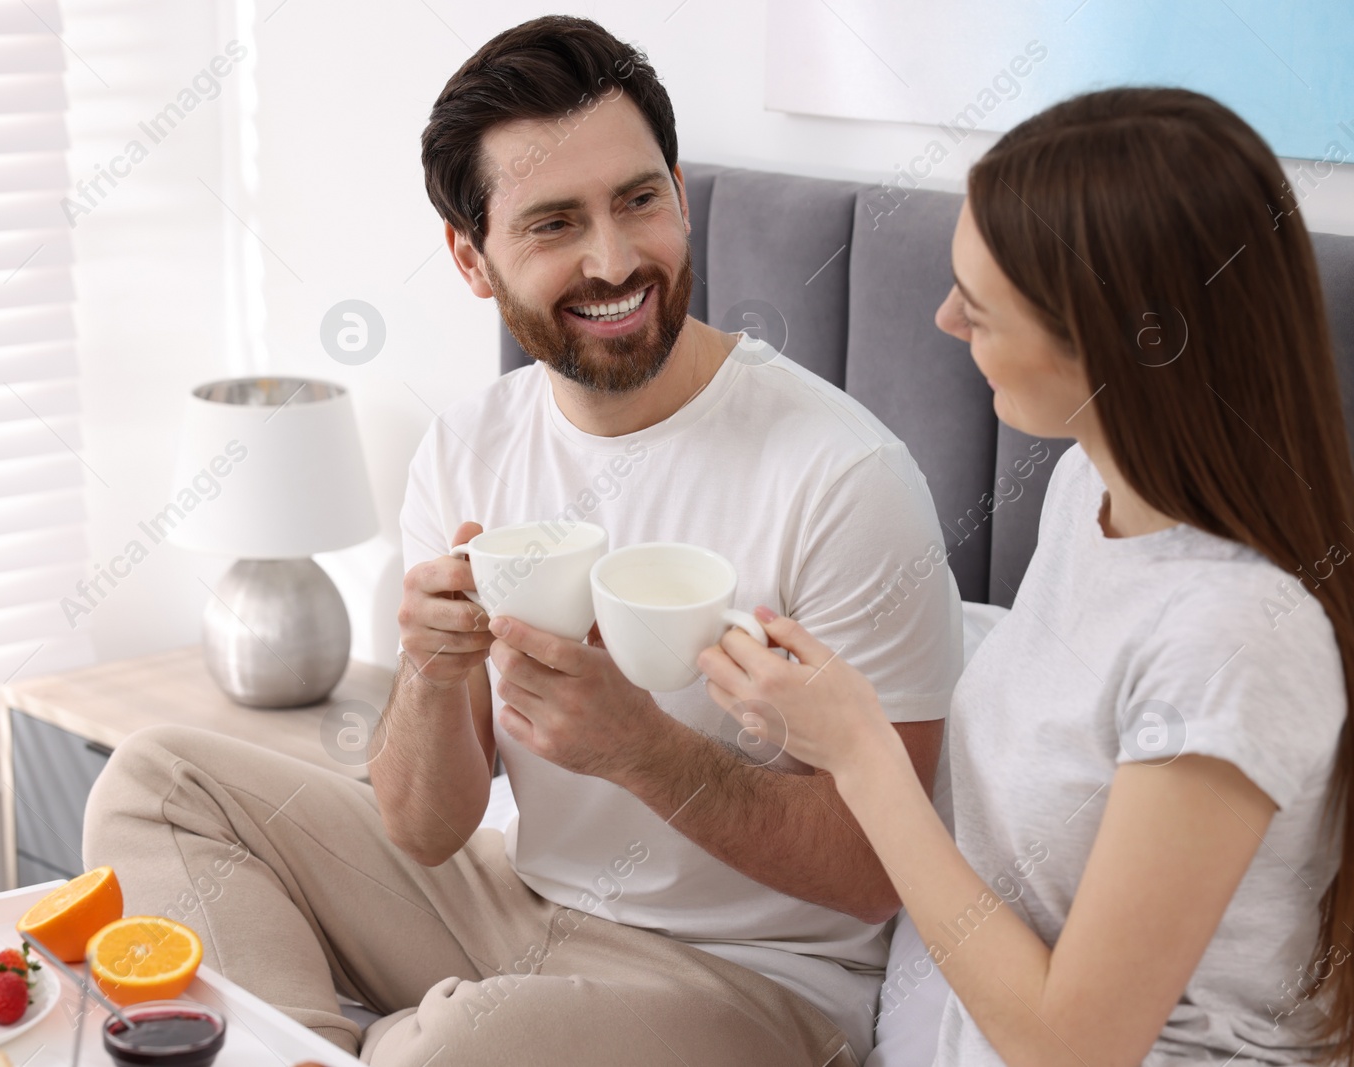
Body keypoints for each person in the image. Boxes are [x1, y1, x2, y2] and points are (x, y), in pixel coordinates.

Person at [84, 15, 962, 1066]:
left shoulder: (840, 476)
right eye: (552, 224)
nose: (614, 258)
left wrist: (643, 749)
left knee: (442, 1048)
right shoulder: (468, 448)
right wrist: (426, 668)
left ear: (679, 192)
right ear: (471, 257)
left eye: (639, 199)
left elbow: (882, 869)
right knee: (153, 779)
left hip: (752, 982)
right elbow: (423, 827)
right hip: (511, 900)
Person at [700, 86, 1354, 1067]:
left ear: (1115, 344)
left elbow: (1073, 1045)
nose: (942, 317)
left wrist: (864, 759)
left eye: (981, 304)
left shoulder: (1235, 639)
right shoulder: (1088, 486)